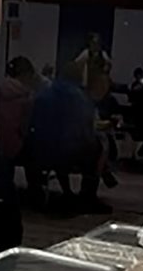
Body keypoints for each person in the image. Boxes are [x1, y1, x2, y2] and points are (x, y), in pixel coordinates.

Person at [27, 61, 111, 212]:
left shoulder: (45, 93)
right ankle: (88, 195)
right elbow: (84, 130)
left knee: (65, 152)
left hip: (42, 148)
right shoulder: (79, 98)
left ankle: (67, 191)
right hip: (69, 150)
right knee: (98, 149)